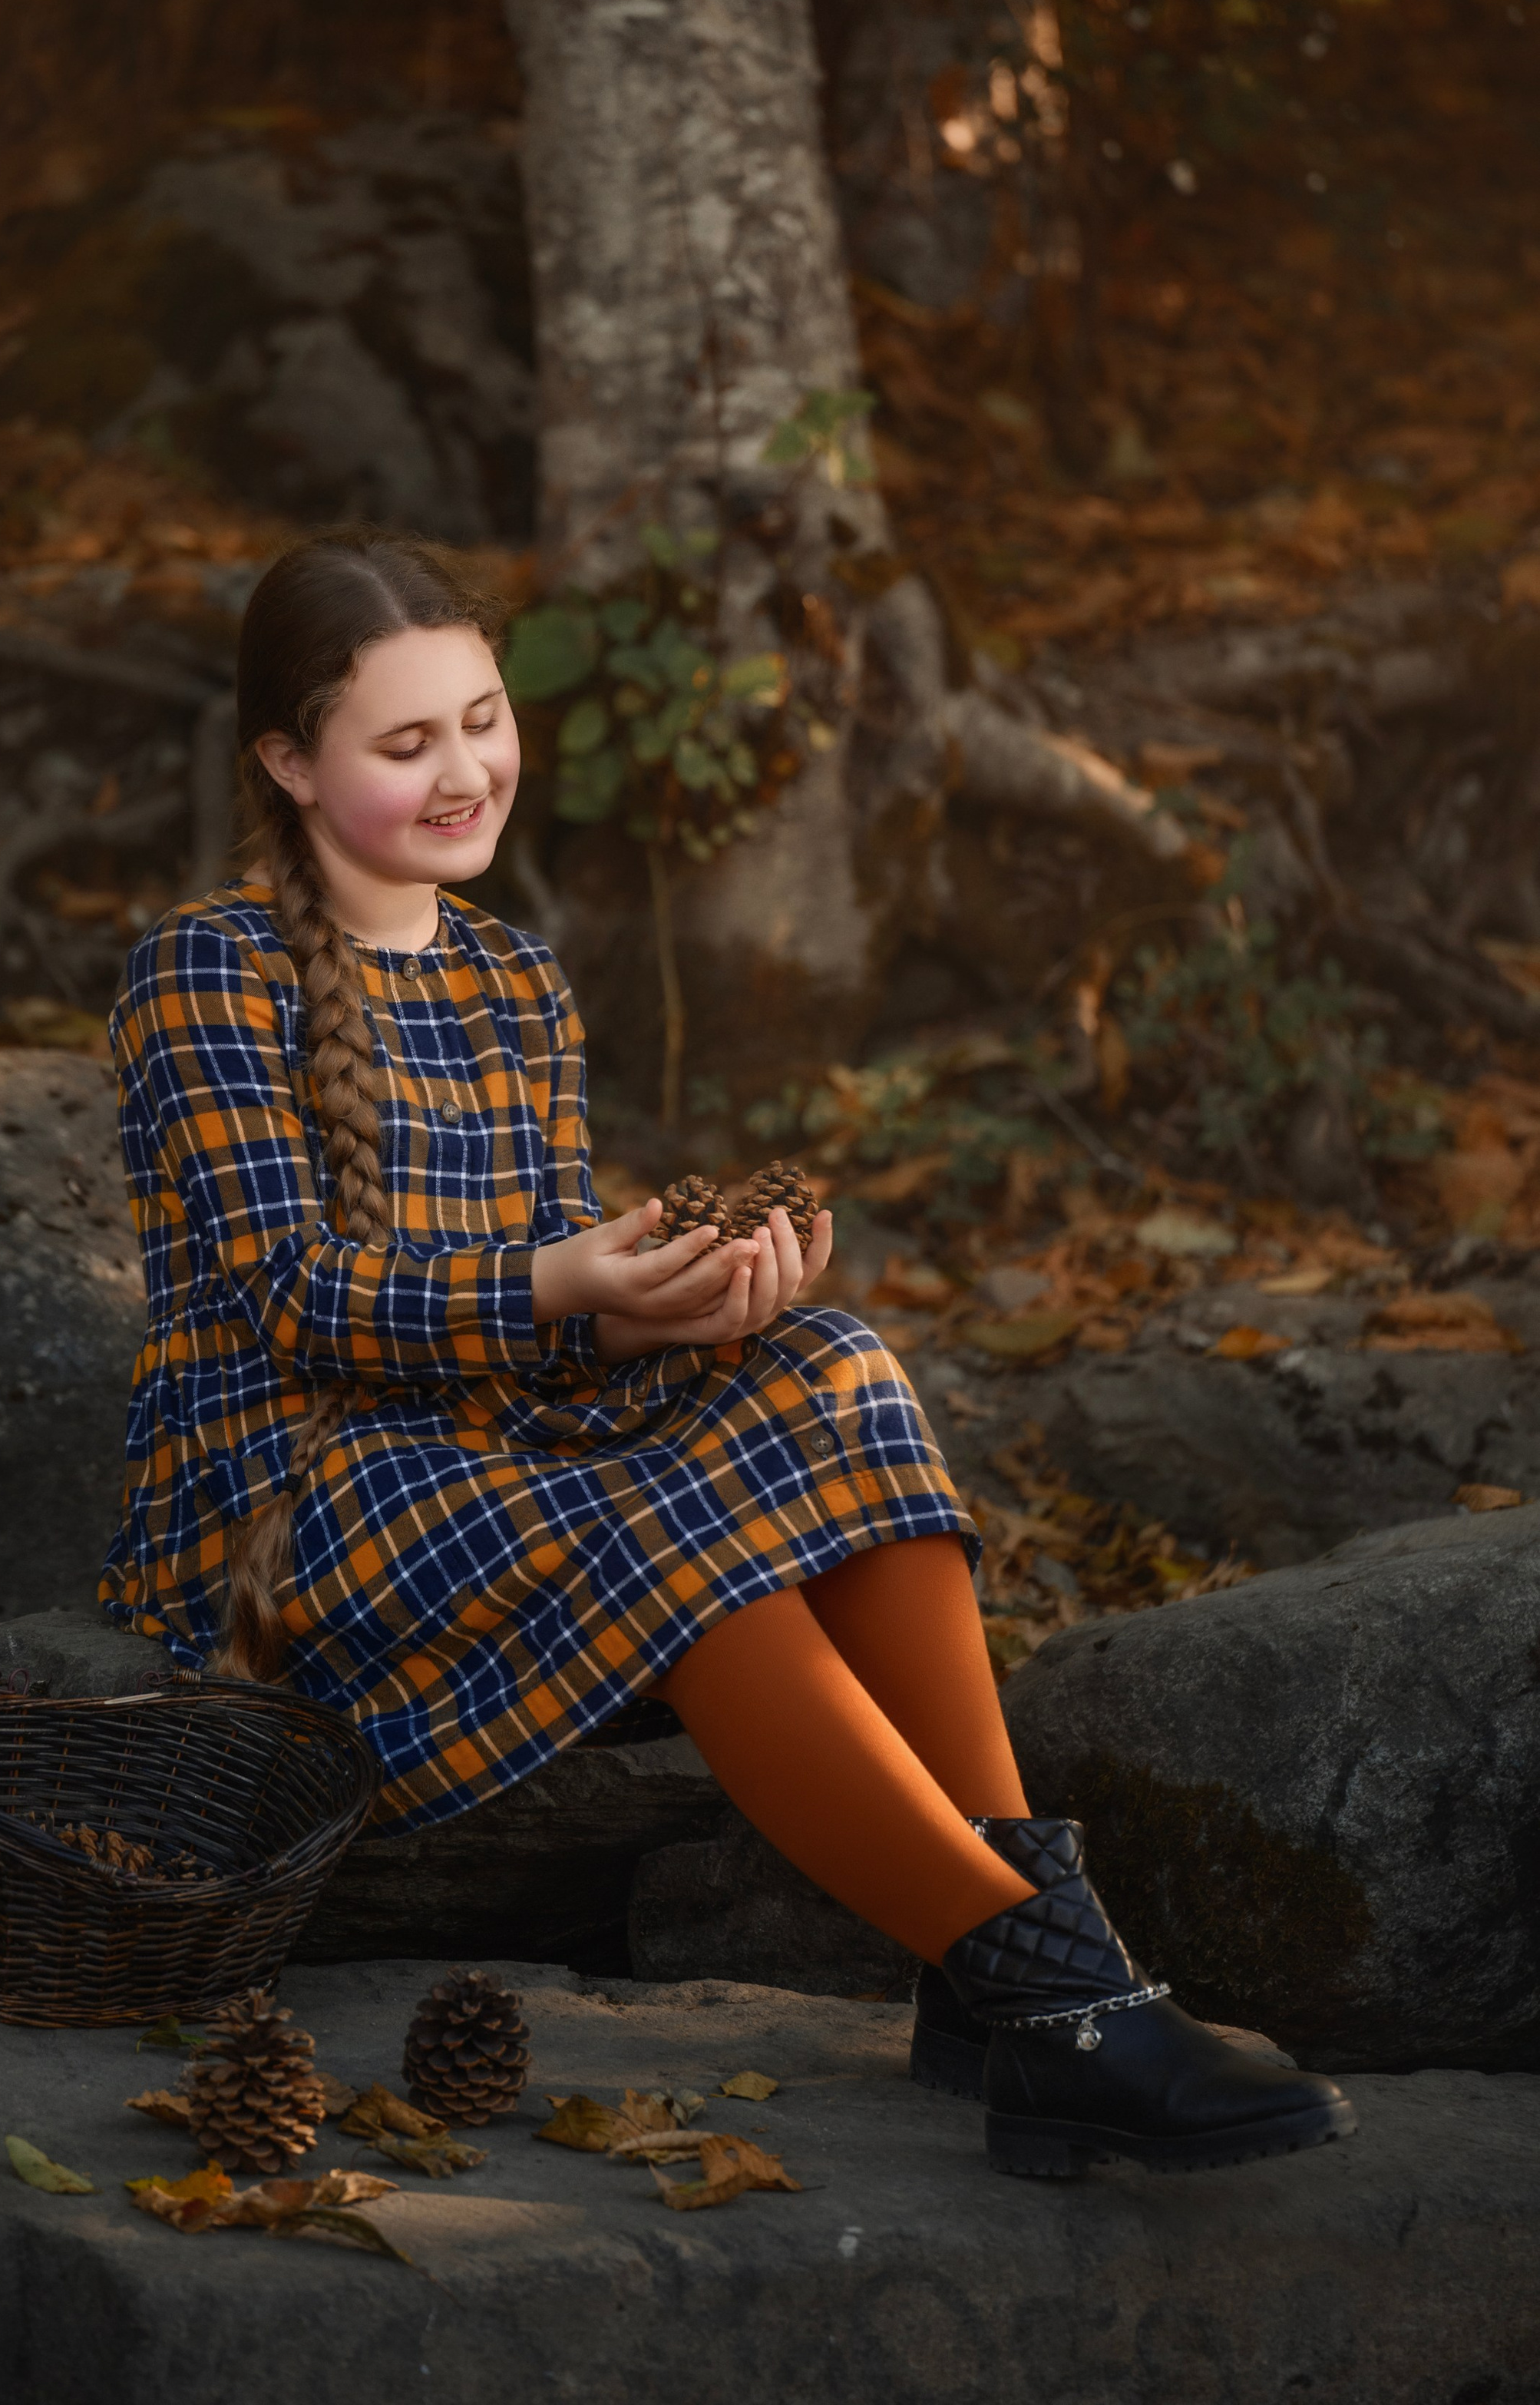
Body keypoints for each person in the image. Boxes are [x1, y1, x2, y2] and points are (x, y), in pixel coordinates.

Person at [102, 527, 1353, 2181]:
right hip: (280, 1514)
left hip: (488, 1447)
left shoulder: (513, 979)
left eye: (482, 718)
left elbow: (555, 1323)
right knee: (679, 1542)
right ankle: (1056, 2000)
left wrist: (678, 1297)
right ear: (285, 758)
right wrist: (563, 1278)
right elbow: (296, 1305)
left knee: (833, 1370)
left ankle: (1004, 1986)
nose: (467, 770)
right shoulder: (202, 968)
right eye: (405, 745)